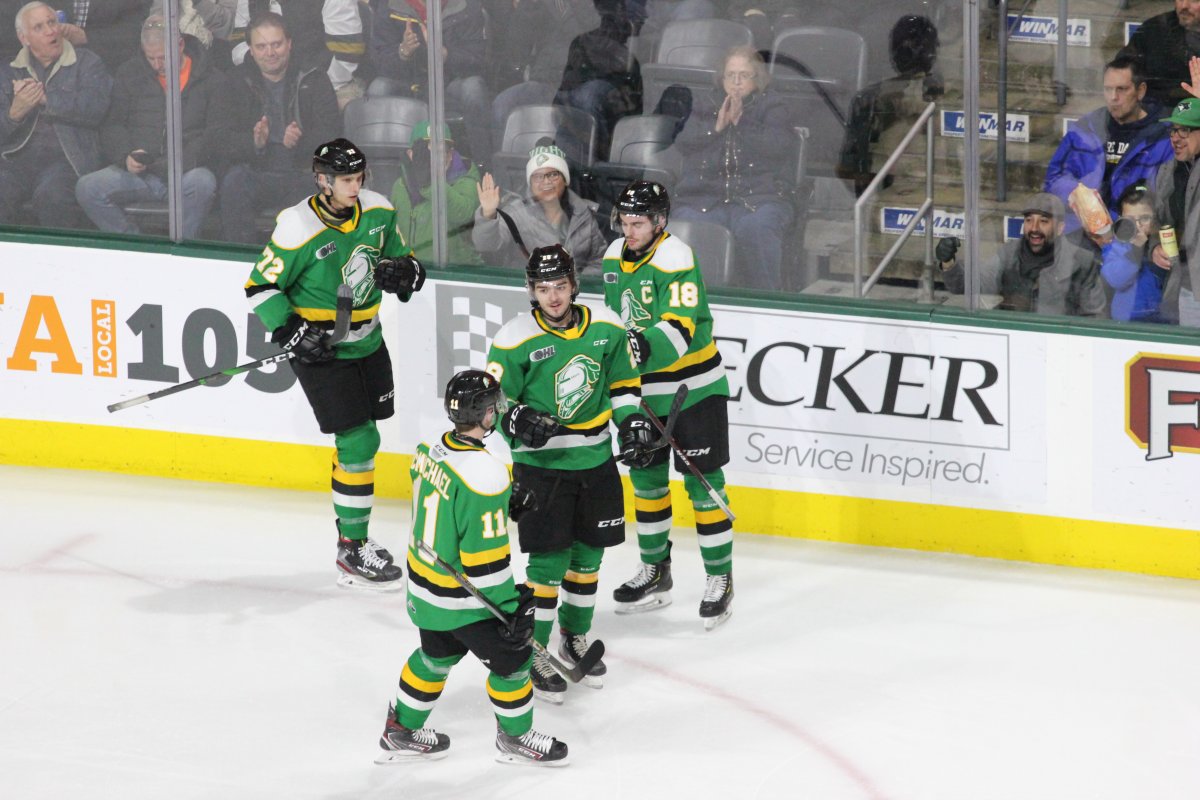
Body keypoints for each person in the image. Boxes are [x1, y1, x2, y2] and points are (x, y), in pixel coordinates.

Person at [244, 137, 426, 590]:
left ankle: (352, 538)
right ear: (323, 180)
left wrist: (404, 273)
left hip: (369, 341)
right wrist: (290, 332)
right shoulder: (297, 225)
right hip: (323, 349)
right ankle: (351, 547)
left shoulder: (379, 210)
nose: (355, 185)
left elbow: (407, 265)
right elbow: (260, 287)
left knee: (371, 431)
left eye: (359, 177)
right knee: (359, 440)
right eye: (346, 179)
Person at [485, 244, 653, 703]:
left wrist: (632, 423)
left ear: (574, 285)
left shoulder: (607, 327)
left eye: (560, 286)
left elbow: (623, 384)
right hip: (542, 470)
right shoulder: (514, 338)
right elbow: (495, 403)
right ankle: (536, 647)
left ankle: (573, 635)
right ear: (531, 291)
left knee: (588, 559)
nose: (553, 297)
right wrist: (515, 419)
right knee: (548, 563)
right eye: (543, 289)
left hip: (596, 462)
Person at [376, 368, 568, 766]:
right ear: (483, 413)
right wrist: (511, 609)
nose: (497, 410)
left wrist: (500, 502)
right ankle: (515, 739)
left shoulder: (429, 447)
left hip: (424, 583)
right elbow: (486, 564)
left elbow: (447, 500)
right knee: (514, 663)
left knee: (435, 656)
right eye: (493, 404)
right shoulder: (486, 475)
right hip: (463, 598)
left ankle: (401, 729)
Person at [602, 180, 734, 630]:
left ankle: (720, 577)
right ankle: (656, 571)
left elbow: (679, 331)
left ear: (660, 221)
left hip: (694, 389)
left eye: (637, 222)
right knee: (648, 485)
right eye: (624, 221)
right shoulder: (611, 257)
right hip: (645, 395)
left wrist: (633, 348)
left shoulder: (677, 257)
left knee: (704, 486)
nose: (629, 229)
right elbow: (615, 319)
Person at [75, 15, 235, 239]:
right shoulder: (128, 73)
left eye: (163, 57)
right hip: (141, 173)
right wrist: (126, 156)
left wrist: (178, 163)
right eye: (151, 58)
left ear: (180, 45)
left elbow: (216, 135)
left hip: (187, 172)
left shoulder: (212, 79)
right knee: (87, 187)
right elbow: (113, 125)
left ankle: (183, 250)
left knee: (203, 182)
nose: (158, 65)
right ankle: (138, 248)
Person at [672, 44, 795, 291]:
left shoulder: (772, 106)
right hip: (705, 199)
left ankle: (766, 304)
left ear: (757, 79)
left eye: (744, 75)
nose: (736, 82)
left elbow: (778, 147)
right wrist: (715, 127)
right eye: (731, 75)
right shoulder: (704, 103)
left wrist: (742, 122)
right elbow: (682, 142)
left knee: (757, 226)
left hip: (757, 199)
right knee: (686, 222)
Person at [221, 11, 341, 243]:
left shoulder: (314, 78)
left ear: (289, 44)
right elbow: (218, 139)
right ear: (251, 49)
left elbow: (332, 138)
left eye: (276, 44)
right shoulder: (234, 81)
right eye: (262, 46)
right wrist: (254, 143)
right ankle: (241, 262)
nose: (270, 53)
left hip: (302, 170)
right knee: (233, 181)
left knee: (325, 187)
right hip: (256, 170)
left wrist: (299, 142)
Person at [0, 1, 112, 229]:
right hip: (16, 160)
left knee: (51, 196)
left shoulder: (87, 62)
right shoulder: (8, 70)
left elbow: (96, 108)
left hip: (67, 160)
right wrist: (13, 115)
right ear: (24, 38)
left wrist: (46, 100)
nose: (51, 30)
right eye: (39, 27)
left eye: (52, 22)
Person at [1043, 55, 1173, 239]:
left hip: (1134, 240)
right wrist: (1079, 195)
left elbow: (1166, 197)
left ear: (1141, 91)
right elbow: (1052, 179)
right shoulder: (1087, 127)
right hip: (1081, 236)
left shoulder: (1163, 137)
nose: (1113, 97)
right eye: (1108, 89)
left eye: (1122, 89)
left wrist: (1115, 222)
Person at [937, 192, 1106, 317]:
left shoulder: (1082, 262)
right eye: (1029, 220)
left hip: (1059, 348)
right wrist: (949, 263)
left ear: (1060, 228)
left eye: (1044, 221)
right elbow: (972, 285)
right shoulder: (1009, 254)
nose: (1034, 228)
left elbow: (1093, 317)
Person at [369, 0, 490, 168]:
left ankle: (484, 168)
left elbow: (479, 61)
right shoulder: (390, 6)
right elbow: (378, 61)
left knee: (474, 88)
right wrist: (403, 52)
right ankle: (377, 168)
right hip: (406, 83)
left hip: (449, 84)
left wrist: (446, 55)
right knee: (378, 89)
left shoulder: (467, 6)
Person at [838, 14, 943, 197]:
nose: (913, 51)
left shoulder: (948, 100)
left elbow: (850, 169)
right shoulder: (870, 100)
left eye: (917, 46)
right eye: (907, 46)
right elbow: (850, 170)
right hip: (889, 197)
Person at [473, 141, 607, 271]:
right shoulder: (515, 213)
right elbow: (486, 245)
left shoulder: (583, 212)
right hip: (530, 291)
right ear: (530, 183)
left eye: (553, 174)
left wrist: (575, 281)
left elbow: (599, 261)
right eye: (538, 177)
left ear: (565, 180)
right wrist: (488, 215)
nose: (546, 182)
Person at [230, 0, 366, 103]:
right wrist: (268, 82)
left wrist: (310, 89)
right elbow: (240, 46)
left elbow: (346, 57)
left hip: (326, 83)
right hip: (264, 84)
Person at [555, 0, 641, 158]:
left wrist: (566, 13)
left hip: (604, 72)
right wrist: (531, 6)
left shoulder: (609, 8)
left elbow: (609, 29)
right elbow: (515, 47)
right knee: (507, 101)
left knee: (586, 98)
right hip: (555, 74)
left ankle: (594, 169)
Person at [389, 119, 482, 266]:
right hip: (410, 274)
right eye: (426, 153)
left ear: (450, 155)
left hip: (457, 275)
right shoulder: (400, 186)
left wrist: (430, 183)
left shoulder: (467, 181)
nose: (433, 159)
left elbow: (463, 214)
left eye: (440, 151)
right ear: (411, 155)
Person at [1150, 97, 1200, 326]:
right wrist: (1155, 247)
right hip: (1186, 287)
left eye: (1185, 130)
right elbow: (1158, 222)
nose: (1176, 138)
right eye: (1173, 130)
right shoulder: (1167, 172)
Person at [1097, 184, 1172, 323]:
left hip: (1163, 317)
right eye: (1130, 220)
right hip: (1126, 319)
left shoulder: (1166, 244)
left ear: (1156, 219)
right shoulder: (1116, 246)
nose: (1137, 226)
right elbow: (1116, 280)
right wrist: (1136, 249)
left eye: (1144, 218)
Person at [1121, 0, 1200, 110]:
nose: (1183, 6)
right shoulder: (1154, 30)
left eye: (1194, 0)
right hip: (1156, 115)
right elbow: (1122, 73)